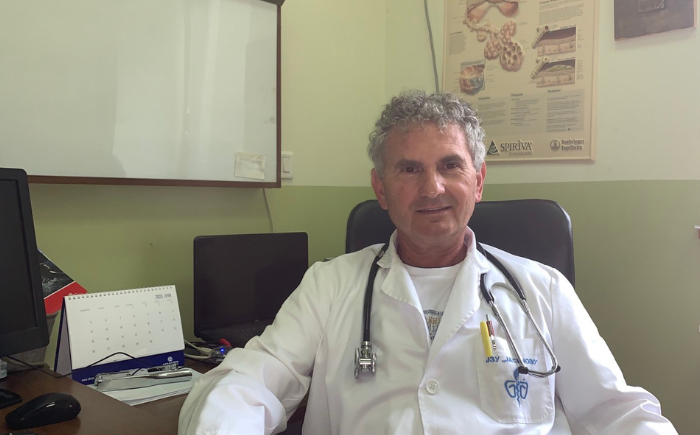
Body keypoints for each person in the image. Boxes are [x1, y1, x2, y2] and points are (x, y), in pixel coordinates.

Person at [179, 91, 677, 434]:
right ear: (380, 189)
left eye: (450, 165)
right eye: (409, 169)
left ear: (478, 182)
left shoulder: (542, 288)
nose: (432, 188)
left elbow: (617, 410)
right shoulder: (330, 285)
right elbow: (250, 382)